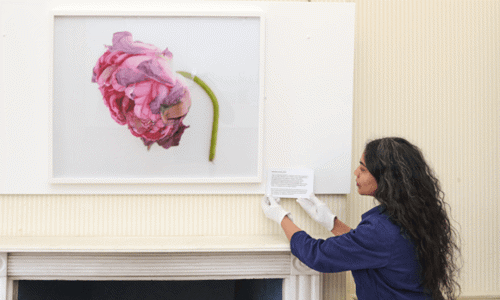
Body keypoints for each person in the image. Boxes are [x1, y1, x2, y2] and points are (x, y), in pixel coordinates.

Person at [261, 137, 461, 300]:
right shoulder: (413, 216)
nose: (356, 173)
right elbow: (368, 247)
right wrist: (331, 222)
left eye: (363, 169)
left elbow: (318, 255)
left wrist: (281, 217)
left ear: (386, 179)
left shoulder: (382, 230)